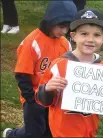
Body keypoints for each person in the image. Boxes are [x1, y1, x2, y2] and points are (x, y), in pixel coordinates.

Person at [35, 8, 103, 137]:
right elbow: (42, 99)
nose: (90, 39)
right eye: (84, 34)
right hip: (61, 133)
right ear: (73, 36)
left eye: (97, 35)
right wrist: (47, 89)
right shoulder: (58, 66)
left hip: (89, 132)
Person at [2, 0, 77, 138]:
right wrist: (31, 100)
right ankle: (11, 134)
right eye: (61, 26)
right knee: (34, 132)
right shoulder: (32, 42)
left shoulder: (65, 44)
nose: (64, 31)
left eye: (68, 28)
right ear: (51, 20)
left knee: (50, 131)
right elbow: (22, 75)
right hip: (34, 96)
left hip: (54, 98)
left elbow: (69, 69)